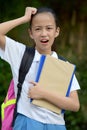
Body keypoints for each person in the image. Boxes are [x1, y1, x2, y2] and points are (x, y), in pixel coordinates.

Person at [0, 7, 80, 130]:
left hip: (57, 125)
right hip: (27, 122)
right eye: (38, 29)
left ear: (56, 31)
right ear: (31, 33)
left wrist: (43, 94)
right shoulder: (21, 54)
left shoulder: (64, 65)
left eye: (49, 28)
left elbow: (74, 105)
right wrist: (24, 18)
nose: (43, 33)